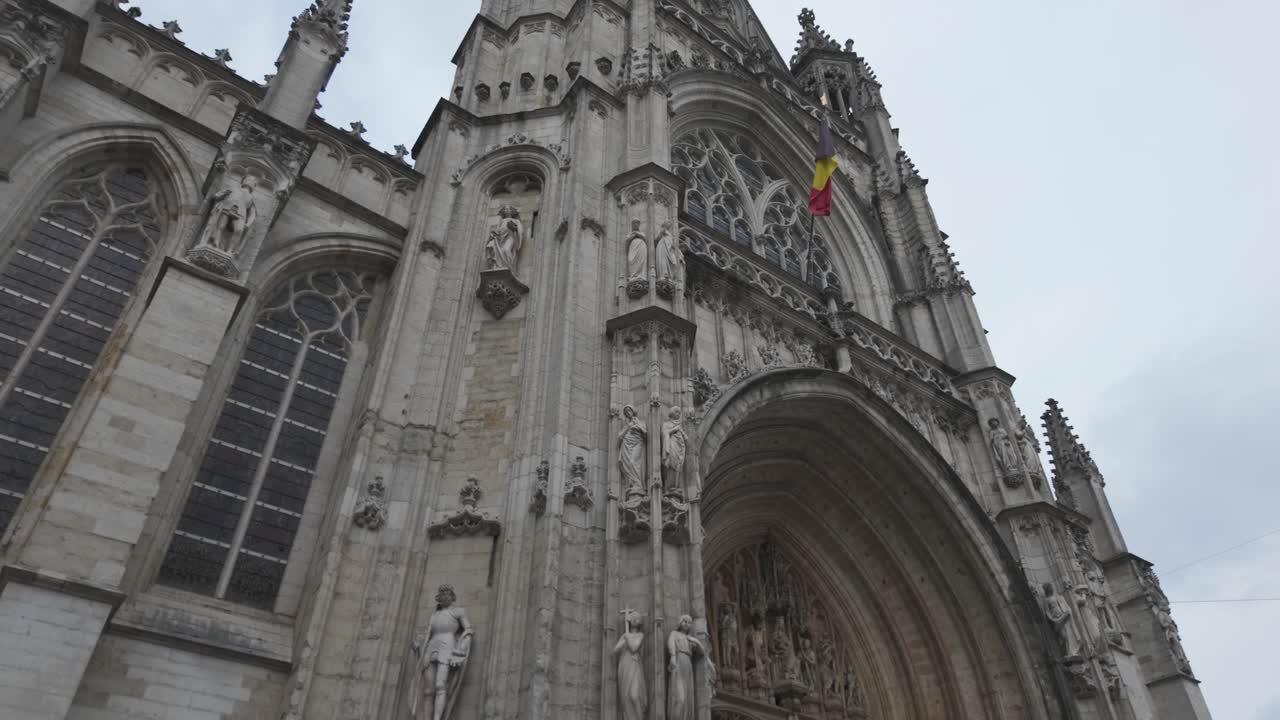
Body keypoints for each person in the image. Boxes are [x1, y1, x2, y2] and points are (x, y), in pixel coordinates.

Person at [411, 585, 474, 720]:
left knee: (440, 685)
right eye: (442, 594)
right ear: (439, 598)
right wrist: (419, 645)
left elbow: (468, 630)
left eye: (447, 594)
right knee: (428, 690)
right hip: (431, 648)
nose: (445, 596)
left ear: (452, 597)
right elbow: (427, 634)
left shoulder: (458, 612)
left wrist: (460, 651)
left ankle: (437, 718)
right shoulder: (434, 614)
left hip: (447, 646)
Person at [667, 615, 713, 720]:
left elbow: (702, 653)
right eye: (685, 621)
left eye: (689, 623)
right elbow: (671, 643)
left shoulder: (690, 639)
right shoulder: (674, 633)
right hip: (678, 661)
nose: (686, 624)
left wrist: (696, 641)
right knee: (680, 698)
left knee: (687, 696)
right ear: (680, 622)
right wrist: (673, 656)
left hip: (687, 665)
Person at [612, 608, 647, 720]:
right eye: (634, 618)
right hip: (624, 663)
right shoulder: (625, 635)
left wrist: (627, 637)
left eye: (638, 618)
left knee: (634, 696)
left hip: (634, 664)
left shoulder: (640, 635)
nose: (636, 619)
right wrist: (624, 639)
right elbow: (615, 650)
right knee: (625, 696)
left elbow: (634, 648)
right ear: (630, 620)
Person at [618, 405, 646, 496]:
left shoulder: (640, 422)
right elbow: (620, 437)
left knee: (633, 462)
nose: (628, 413)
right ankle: (631, 484)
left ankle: (638, 485)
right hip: (626, 444)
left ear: (633, 411)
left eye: (629, 411)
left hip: (637, 443)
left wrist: (637, 427)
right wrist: (628, 427)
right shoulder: (626, 424)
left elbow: (645, 433)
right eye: (626, 412)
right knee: (628, 464)